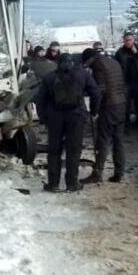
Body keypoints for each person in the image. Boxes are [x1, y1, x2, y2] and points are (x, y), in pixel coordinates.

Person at [35, 53, 101, 192]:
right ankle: (72, 183)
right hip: (76, 117)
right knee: (74, 151)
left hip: (55, 118)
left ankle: (53, 184)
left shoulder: (49, 77)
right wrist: (94, 111)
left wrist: (43, 119)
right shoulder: (82, 74)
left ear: (58, 63)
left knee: (54, 151)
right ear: (72, 62)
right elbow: (95, 93)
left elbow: (40, 100)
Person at [81, 48, 127, 184]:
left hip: (109, 106)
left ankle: (98, 172)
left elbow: (99, 91)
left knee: (103, 140)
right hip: (121, 104)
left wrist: (94, 111)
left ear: (89, 59)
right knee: (118, 140)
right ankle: (119, 173)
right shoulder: (113, 62)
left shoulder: (98, 66)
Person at [114, 32, 138, 129]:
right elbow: (115, 66)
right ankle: (126, 126)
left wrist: (137, 52)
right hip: (125, 83)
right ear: (123, 41)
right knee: (125, 106)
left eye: (130, 40)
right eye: (126, 40)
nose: (128, 42)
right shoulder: (120, 52)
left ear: (133, 40)